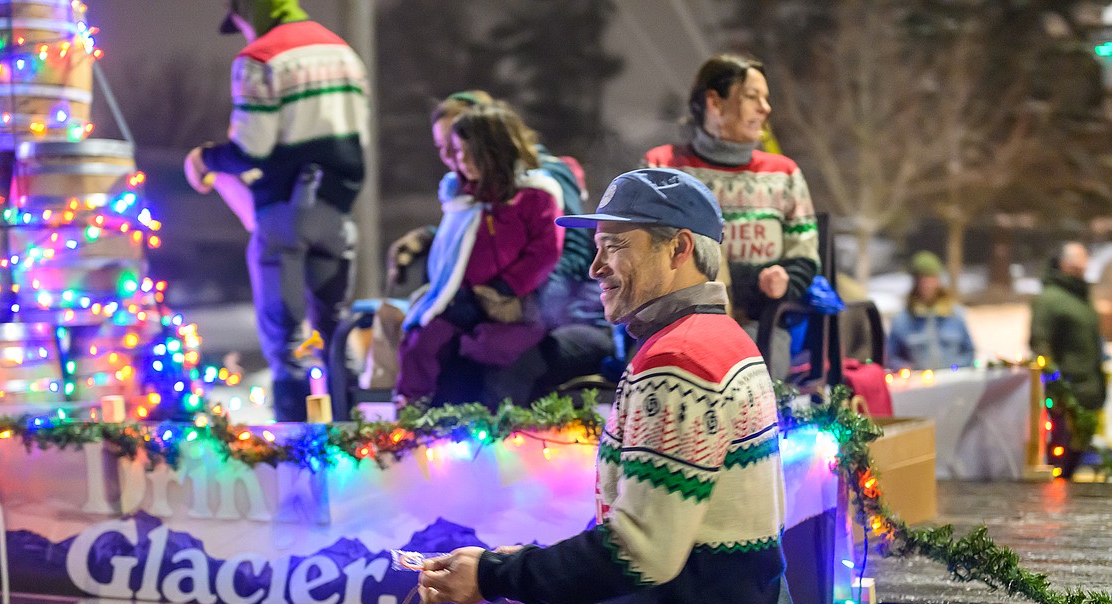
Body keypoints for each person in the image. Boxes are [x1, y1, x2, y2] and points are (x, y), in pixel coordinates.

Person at [419, 168, 802, 604]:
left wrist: (493, 573)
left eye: (616, 246)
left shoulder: (679, 360)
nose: (596, 266)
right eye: (596, 247)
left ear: (679, 248)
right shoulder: (715, 338)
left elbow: (640, 551)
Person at [183, 0, 369, 422]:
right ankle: (360, 436)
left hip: (285, 210)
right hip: (337, 209)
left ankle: (297, 449)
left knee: (286, 340)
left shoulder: (259, 58)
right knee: (334, 329)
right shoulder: (343, 52)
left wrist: (205, 160)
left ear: (248, 11)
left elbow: (253, 146)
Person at [388, 91, 612, 405]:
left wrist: (515, 296)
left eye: (460, 148)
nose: (454, 159)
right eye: (445, 149)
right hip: (483, 302)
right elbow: (472, 240)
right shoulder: (471, 191)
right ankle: (419, 416)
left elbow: (565, 254)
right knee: (429, 341)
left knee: (502, 363)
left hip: (561, 316)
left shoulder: (541, 184)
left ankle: (496, 442)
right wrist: (430, 239)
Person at [645, 53, 820, 380]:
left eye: (765, 99)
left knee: (742, 374)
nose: (765, 108)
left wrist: (785, 280)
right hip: (675, 322)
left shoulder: (783, 173)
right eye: (752, 97)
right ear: (715, 103)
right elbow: (648, 251)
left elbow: (804, 257)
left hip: (760, 323)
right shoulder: (663, 167)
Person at [1030, 241, 1108, 478]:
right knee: (1060, 459)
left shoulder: (1081, 296)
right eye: (1078, 260)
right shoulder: (1051, 299)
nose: (1083, 265)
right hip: (1065, 395)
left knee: (1078, 457)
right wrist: (1056, 382)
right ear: (1065, 263)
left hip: (1087, 391)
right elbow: (1040, 344)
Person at [885, 251, 975, 371]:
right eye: (922, 279)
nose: (926, 284)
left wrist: (957, 368)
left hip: (952, 383)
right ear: (915, 281)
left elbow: (969, 352)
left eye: (931, 278)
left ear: (938, 280)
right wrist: (906, 369)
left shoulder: (955, 315)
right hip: (919, 386)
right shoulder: (902, 320)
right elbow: (891, 357)